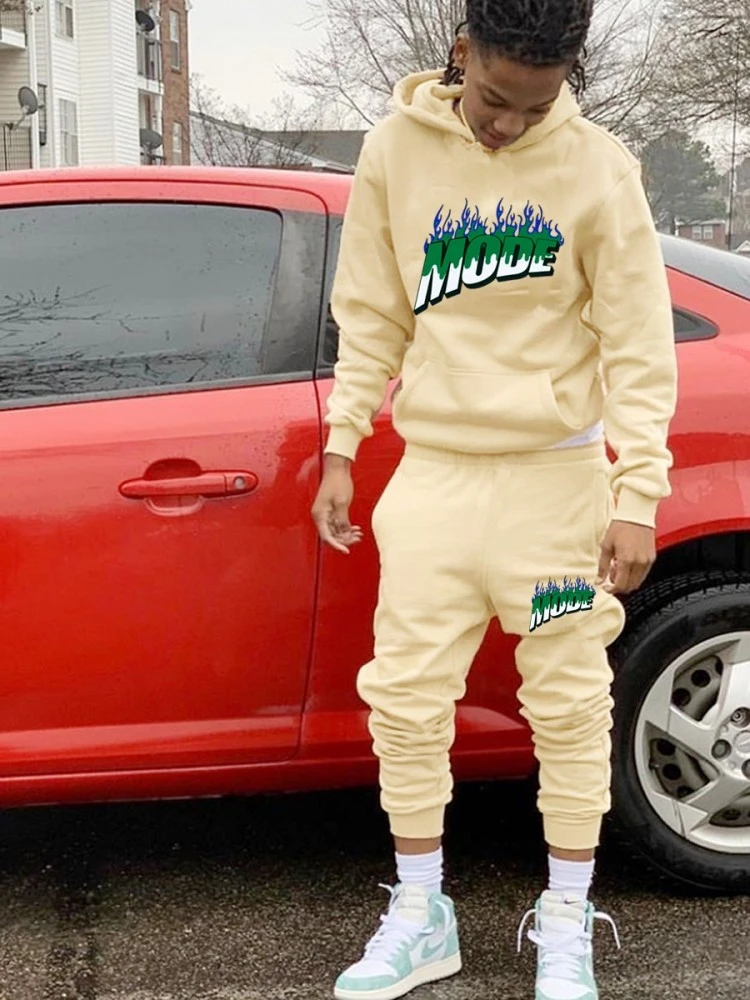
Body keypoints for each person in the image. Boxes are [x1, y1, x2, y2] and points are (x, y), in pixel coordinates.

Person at [311, 1, 678, 998]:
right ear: (461, 52)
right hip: (433, 484)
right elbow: (371, 312)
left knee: (568, 704)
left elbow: (640, 347)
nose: (508, 124)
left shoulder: (600, 170)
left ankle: (565, 918)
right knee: (405, 701)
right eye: (492, 99)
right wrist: (343, 442)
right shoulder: (394, 152)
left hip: (556, 497)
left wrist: (637, 492)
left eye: (535, 107)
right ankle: (420, 910)